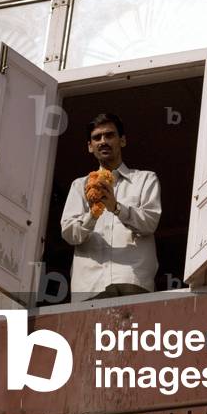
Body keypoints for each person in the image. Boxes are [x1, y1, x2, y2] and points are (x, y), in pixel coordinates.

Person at [60, 113, 162, 301]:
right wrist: (93, 213)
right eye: (97, 137)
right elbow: (69, 233)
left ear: (122, 140)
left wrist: (116, 207)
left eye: (109, 135)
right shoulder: (79, 186)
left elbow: (150, 222)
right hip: (90, 286)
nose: (103, 141)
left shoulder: (145, 179)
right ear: (90, 147)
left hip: (132, 280)